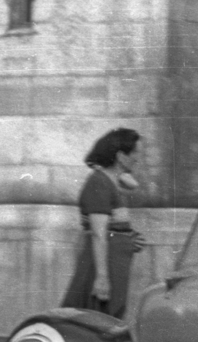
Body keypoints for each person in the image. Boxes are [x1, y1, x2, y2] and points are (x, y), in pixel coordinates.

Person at [62, 128, 145, 318]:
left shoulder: (111, 181)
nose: (138, 158)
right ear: (120, 156)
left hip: (116, 265)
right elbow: (99, 234)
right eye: (134, 153)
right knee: (96, 318)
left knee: (109, 318)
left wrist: (128, 238)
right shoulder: (99, 183)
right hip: (101, 266)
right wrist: (101, 278)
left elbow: (133, 187)